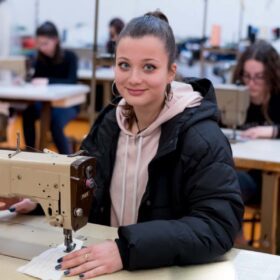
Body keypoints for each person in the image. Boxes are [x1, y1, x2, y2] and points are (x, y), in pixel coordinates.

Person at [0, 11, 243, 279]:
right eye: (124, 65)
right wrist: (40, 199)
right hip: (108, 265)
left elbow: (218, 225)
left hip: (161, 270)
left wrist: (126, 249)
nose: (133, 78)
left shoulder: (202, 138)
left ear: (171, 71)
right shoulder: (109, 123)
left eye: (149, 67)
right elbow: (89, 187)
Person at [232, 39, 280, 203]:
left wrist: (273, 131)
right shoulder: (236, 97)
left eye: (259, 77)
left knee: (230, 190)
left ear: (272, 75)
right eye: (247, 76)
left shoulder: (278, 99)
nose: (251, 83)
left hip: (272, 179)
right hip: (241, 176)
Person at [22, 21, 79, 154]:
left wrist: (48, 81)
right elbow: (35, 80)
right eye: (39, 44)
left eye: (45, 44)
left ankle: (67, 162)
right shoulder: (40, 59)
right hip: (45, 103)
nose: (42, 48)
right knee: (28, 113)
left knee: (55, 122)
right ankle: (31, 153)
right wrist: (24, 80)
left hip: (67, 104)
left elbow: (71, 81)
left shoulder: (70, 57)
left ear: (56, 40)